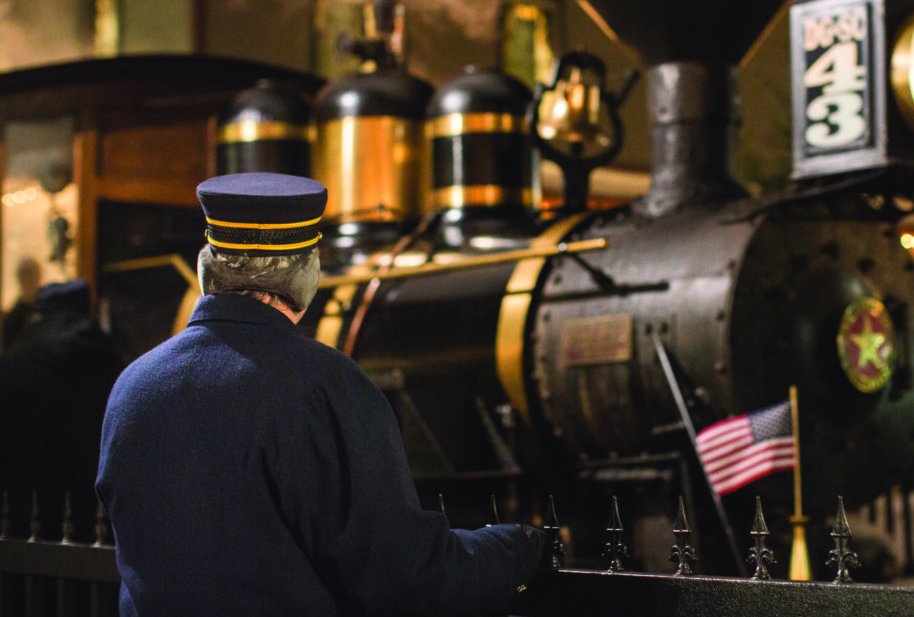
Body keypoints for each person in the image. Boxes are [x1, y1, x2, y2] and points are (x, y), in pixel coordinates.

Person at [96, 172, 543, 616]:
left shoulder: (132, 387)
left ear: (204, 266)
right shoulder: (324, 385)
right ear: (306, 274)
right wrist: (515, 547)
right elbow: (404, 578)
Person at [0, 279, 123, 540]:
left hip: (19, 530)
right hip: (96, 531)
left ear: (38, 315)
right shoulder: (120, 372)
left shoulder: (10, 371)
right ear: (87, 310)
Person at [2, 256, 42, 352]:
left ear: (38, 276)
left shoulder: (46, 308)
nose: (28, 279)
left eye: (31, 274)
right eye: (24, 274)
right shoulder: (13, 315)